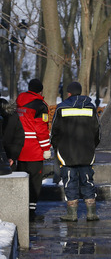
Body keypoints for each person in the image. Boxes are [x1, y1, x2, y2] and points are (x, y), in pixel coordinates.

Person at [51, 81, 101, 222]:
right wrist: (92, 145)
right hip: (87, 151)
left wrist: (57, 147)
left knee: (69, 181)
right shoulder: (91, 108)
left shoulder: (61, 108)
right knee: (87, 180)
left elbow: (54, 131)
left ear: (68, 93)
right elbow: (98, 131)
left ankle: (72, 214)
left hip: (66, 153)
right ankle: (91, 213)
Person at [16, 78, 50, 221]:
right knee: (35, 181)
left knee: (21, 179)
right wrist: (46, 148)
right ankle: (31, 212)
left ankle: (19, 208)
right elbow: (41, 129)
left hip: (19, 147)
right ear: (40, 90)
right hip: (34, 149)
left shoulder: (18, 102)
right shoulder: (40, 105)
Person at [0, 98, 24, 170]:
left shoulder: (12, 116)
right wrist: (12, 157)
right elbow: (19, 138)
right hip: (8, 157)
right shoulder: (13, 115)